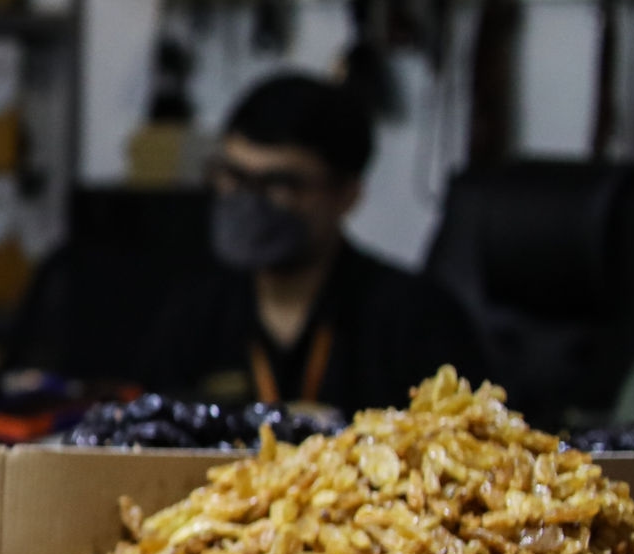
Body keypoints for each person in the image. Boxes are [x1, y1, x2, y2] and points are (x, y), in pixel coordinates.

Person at [133, 72, 487, 415]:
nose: (249, 202)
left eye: (280, 185)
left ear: (346, 194)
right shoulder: (193, 317)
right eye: (234, 176)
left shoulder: (416, 320)